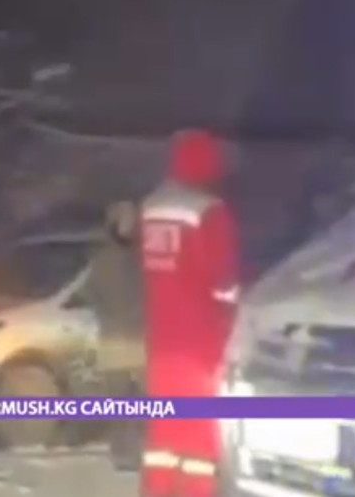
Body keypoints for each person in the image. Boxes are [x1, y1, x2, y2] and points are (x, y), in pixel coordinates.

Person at [139, 129, 240, 497]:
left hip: (161, 342)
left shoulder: (150, 206)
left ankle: (158, 490)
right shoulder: (209, 210)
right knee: (199, 434)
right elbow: (224, 282)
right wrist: (231, 324)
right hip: (200, 344)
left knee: (165, 431)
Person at [87, 200, 147, 470]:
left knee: (130, 402)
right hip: (128, 338)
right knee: (129, 402)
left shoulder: (104, 259)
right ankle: (128, 452)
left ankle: (129, 452)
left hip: (123, 338)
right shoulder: (133, 259)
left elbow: (93, 296)